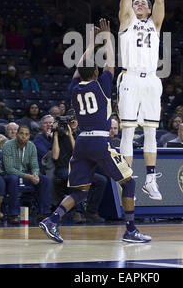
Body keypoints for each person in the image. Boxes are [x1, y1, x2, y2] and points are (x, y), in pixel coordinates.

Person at [39, 18, 151, 243]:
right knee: (129, 182)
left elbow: (80, 68)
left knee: (81, 191)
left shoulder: (73, 88)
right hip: (100, 142)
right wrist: (108, 38)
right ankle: (130, 230)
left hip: (81, 144)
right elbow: (111, 63)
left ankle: (52, 220)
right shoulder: (101, 85)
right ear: (97, 71)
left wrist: (91, 44)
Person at [114, 0, 165, 201]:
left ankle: (150, 180)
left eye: (143, 2)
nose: (140, 3)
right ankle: (127, 180)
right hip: (130, 77)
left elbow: (161, 1)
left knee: (151, 132)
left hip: (152, 80)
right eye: (137, 2)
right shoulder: (127, 21)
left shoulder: (155, 24)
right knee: (127, 131)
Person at [0, 125, 51, 224]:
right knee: (13, 179)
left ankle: (44, 213)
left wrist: (35, 175)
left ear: (29, 136)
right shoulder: (8, 145)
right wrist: (28, 176)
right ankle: (13, 214)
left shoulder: (31, 146)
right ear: (17, 134)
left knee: (44, 180)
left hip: (26, 175)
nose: (24, 136)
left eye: (26, 134)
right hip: (7, 174)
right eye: (21, 133)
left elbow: (35, 165)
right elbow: (9, 169)